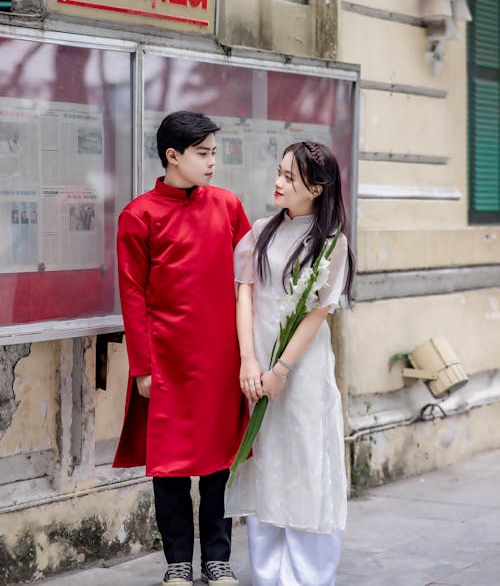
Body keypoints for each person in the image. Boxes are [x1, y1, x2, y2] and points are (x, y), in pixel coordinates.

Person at [113, 111, 251, 586]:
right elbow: (133, 296)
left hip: (222, 359)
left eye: (214, 153)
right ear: (173, 156)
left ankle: (218, 559)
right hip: (167, 362)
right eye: (203, 153)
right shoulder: (138, 215)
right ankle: (177, 563)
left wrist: (250, 354)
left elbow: (248, 284)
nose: (213, 162)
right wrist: (143, 369)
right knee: (169, 469)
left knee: (220, 464)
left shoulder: (229, 207)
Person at [225, 140, 355, 586]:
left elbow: (317, 314)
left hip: (300, 373)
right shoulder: (261, 230)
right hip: (257, 365)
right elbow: (245, 292)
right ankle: (267, 574)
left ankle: (307, 576)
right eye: (279, 172)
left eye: (289, 178)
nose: (278, 183)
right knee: (266, 464)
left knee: (304, 462)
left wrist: (281, 371)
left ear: (316, 190)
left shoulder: (331, 245)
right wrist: (248, 360)